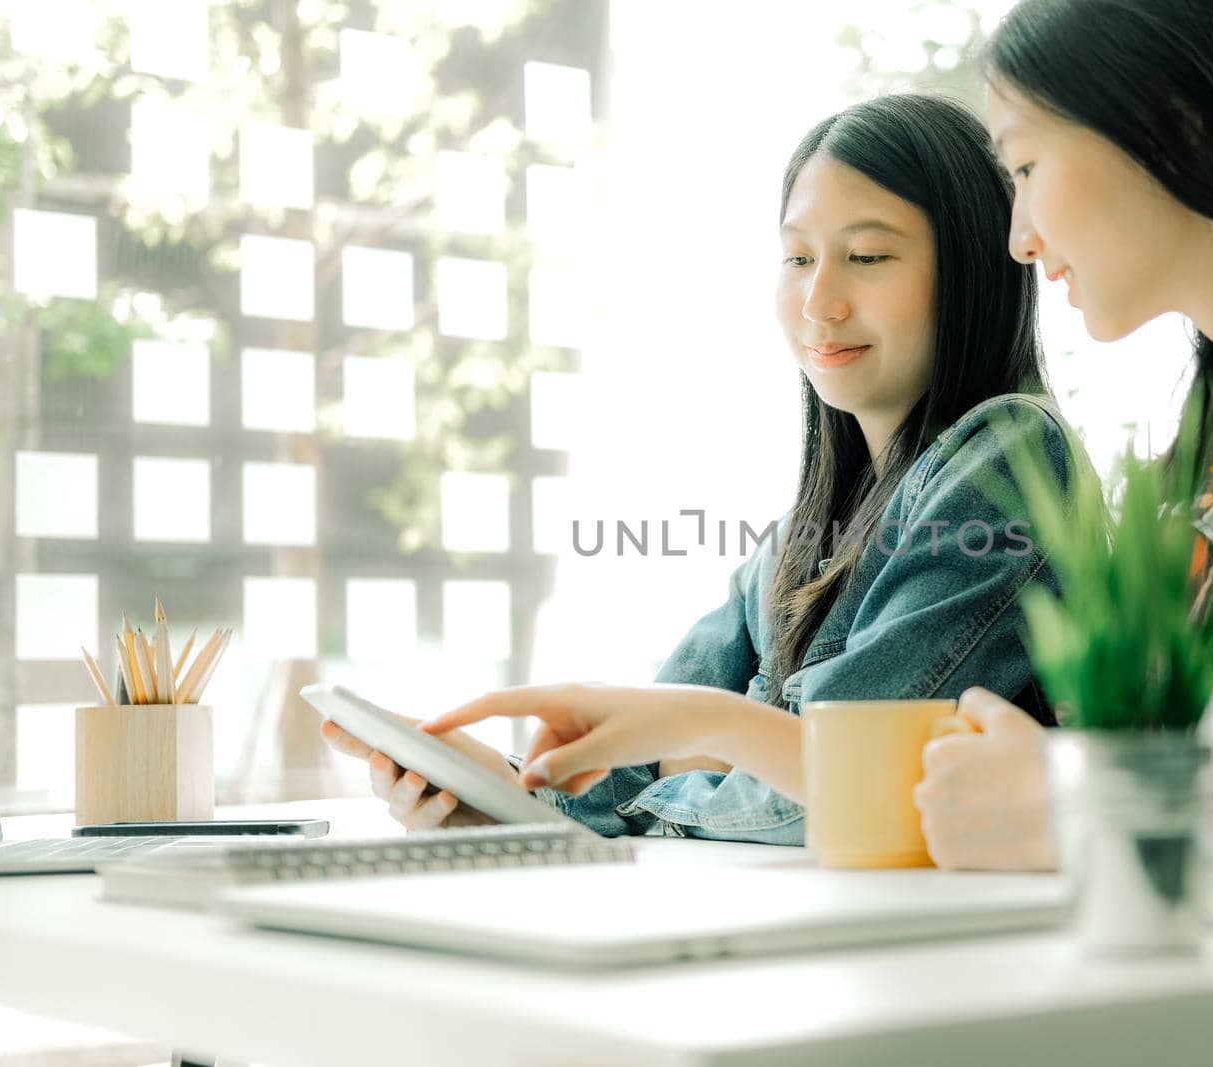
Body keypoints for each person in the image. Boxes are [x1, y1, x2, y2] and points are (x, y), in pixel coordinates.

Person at [430, 0, 1213, 875]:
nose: (1022, 239)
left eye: (1027, 168)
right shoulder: (1194, 492)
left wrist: (1087, 802)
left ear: (1176, 124)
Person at [325, 92, 1086, 841]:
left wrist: (696, 755)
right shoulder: (805, 534)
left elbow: (838, 784)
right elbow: (636, 755)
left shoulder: (1009, 452)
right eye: (796, 257)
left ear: (975, 271)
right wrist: (500, 792)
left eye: (867, 256)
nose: (819, 299)